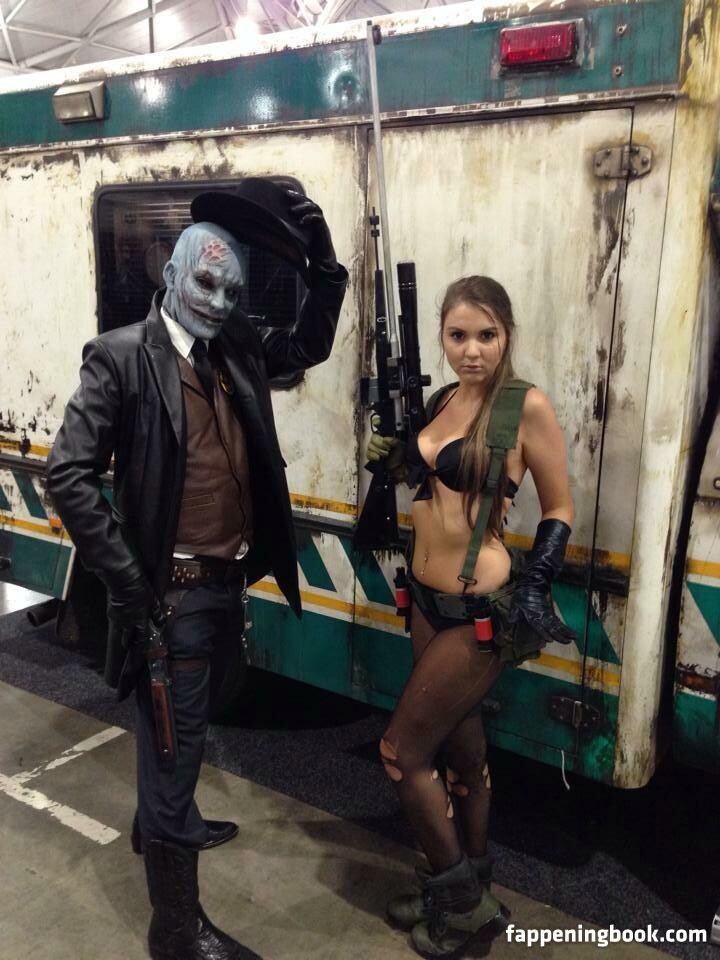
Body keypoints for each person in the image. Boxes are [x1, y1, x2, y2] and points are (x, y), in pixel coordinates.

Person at [47, 178, 347, 960]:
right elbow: (67, 474)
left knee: (185, 732)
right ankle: (176, 928)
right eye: (206, 283)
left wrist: (325, 268)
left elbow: (308, 345)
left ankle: (162, 817)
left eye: (232, 291)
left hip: (224, 585)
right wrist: (128, 583)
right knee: (175, 748)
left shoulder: (234, 347)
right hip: (168, 597)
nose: (218, 302)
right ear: (171, 272)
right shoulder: (122, 357)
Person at [366, 275, 576, 959]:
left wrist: (539, 579)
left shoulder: (524, 406)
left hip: (478, 610)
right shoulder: (442, 399)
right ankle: (463, 881)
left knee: (402, 754)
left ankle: (463, 907)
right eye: (458, 335)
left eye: (487, 335)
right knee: (464, 754)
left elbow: (559, 506)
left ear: (507, 334)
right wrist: (392, 458)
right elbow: (427, 486)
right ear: (443, 338)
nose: (473, 350)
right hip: (427, 602)